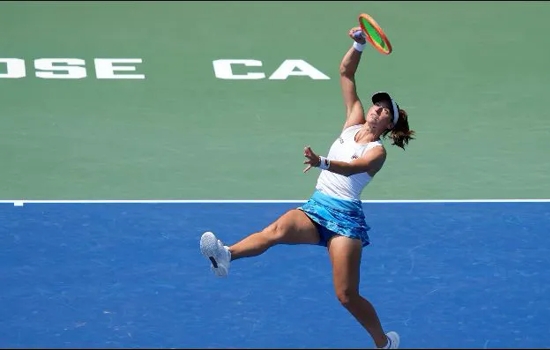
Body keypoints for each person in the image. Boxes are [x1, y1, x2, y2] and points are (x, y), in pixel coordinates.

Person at [199, 26, 415, 349]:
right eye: (377, 104)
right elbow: (346, 75)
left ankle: (384, 343)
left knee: (346, 295)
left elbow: (353, 168)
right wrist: (358, 46)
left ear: (388, 125)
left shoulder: (378, 152)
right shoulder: (354, 118)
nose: (376, 109)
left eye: (384, 110)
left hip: (345, 223)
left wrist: (322, 162)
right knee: (276, 230)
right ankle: (227, 254)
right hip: (317, 208)